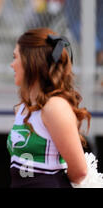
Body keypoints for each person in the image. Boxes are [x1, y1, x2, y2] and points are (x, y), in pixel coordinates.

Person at [8, 28, 91, 187]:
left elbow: (80, 171)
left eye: (15, 57)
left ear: (30, 61)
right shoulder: (23, 108)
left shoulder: (55, 107)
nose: (12, 65)